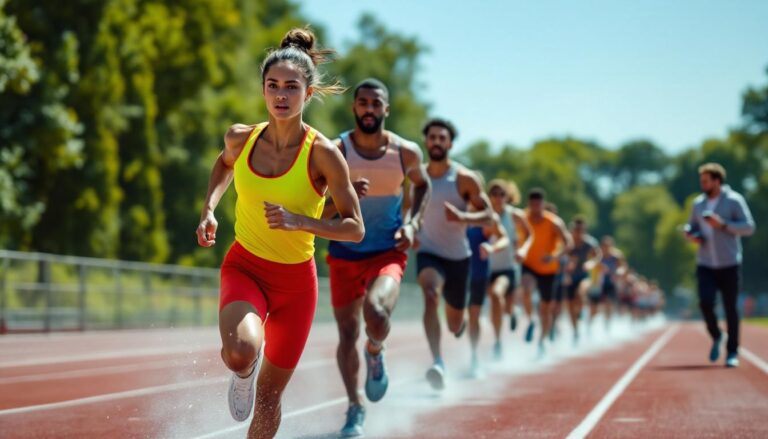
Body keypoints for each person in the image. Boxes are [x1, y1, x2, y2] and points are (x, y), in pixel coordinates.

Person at [195, 28, 364, 438]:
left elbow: (354, 228)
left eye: (292, 86)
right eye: (273, 86)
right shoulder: (241, 137)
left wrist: (302, 221)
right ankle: (243, 372)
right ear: (263, 90)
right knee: (240, 354)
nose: (281, 95)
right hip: (246, 267)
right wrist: (209, 209)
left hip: (296, 285)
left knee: (270, 399)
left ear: (308, 93)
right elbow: (223, 165)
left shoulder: (324, 154)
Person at [323, 78, 430, 438]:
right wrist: (345, 195)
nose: (369, 109)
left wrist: (412, 223)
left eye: (376, 103)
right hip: (343, 251)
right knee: (347, 331)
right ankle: (355, 407)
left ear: (386, 109)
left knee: (377, 313)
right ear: (354, 108)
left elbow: (423, 183)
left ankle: (375, 349)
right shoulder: (336, 149)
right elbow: (315, 206)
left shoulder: (406, 152)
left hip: (387, 250)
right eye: (363, 103)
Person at [416, 118, 493, 390]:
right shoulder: (417, 176)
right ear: (426, 141)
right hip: (428, 252)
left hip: (459, 257)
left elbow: (488, 215)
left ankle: (458, 328)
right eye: (432, 137)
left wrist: (463, 216)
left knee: (454, 323)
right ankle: (437, 361)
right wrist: (408, 230)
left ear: (449, 143)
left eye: (442, 138)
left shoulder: (464, 178)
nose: (436, 141)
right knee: (429, 294)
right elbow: (404, 210)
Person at [684, 162, 755, 368]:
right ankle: (717, 334)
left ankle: (732, 352)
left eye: (706, 180)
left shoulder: (734, 200)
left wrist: (722, 224)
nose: (702, 184)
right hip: (705, 263)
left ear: (717, 181)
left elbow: (749, 227)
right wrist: (691, 233)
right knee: (705, 303)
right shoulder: (698, 204)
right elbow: (693, 224)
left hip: (729, 263)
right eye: (701, 180)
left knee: (730, 308)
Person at [520, 189, 573, 355]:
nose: (535, 207)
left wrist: (553, 256)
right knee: (526, 288)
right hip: (528, 264)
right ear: (529, 204)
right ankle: (530, 320)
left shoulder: (553, 222)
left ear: (543, 204)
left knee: (545, 309)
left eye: (538, 204)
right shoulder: (522, 217)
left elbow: (568, 242)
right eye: (532, 204)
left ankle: (542, 341)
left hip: (548, 269)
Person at [486, 179, 532, 358]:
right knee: (496, 304)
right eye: (494, 194)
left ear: (507, 196)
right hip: (487, 267)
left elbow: (529, 235)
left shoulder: (515, 215)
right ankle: (498, 341)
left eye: (501, 194)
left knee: (497, 295)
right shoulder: (484, 215)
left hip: (508, 267)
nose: (498, 198)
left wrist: (523, 249)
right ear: (489, 197)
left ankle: (513, 312)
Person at [467, 200, 509, 376]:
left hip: (478, 274)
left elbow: (503, 238)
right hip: (457, 272)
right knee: (462, 317)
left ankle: (474, 355)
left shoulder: (487, 219)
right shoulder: (456, 212)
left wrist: (491, 247)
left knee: (474, 314)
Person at [561, 216, 601, 344]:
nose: (578, 233)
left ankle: (582, 310)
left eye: (581, 230)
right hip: (569, 276)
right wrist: (566, 265)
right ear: (572, 230)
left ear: (585, 231)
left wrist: (591, 263)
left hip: (584, 276)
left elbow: (598, 255)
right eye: (576, 230)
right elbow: (560, 255)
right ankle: (575, 331)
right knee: (570, 305)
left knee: (580, 292)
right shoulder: (567, 242)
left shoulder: (590, 243)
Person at [590, 236, 625, 330]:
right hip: (598, 283)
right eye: (604, 246)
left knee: (608, 303)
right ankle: (591, 325)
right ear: (602, 246)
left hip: (610, 282)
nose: (606, 248)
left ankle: (607, 325)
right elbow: (591, 265)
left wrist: (619, 271)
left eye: (608, 246)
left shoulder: (616, 256)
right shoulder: (598, 256)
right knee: (594, 306)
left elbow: (622, 267)